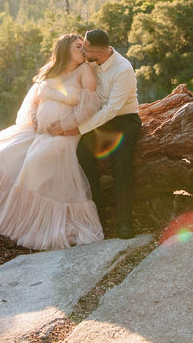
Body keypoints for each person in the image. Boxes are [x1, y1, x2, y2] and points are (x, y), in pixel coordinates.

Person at [0, 33, 104, 251]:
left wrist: (65, 125)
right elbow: (33, 101)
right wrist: (34, 118)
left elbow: (89, 106)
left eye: (84, 46)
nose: (83, 50)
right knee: (1, 153)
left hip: (64, 135)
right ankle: (10, 216)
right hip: (39, 133)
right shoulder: (51, 72)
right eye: (78, 46)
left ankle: (31, 226)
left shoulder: (85, 70)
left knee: (34, 162)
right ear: (64, 50)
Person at [47, 29, 140, 239]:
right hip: (101, 120)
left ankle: (125, 223)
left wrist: (76, 129)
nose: (83, 52)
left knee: (121, 163)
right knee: (83, 153)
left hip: (124, 120)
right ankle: (97, 217)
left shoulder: (123, 69)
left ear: (97, 53)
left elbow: (111, 110)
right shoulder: (91, 64)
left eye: (85, 49)